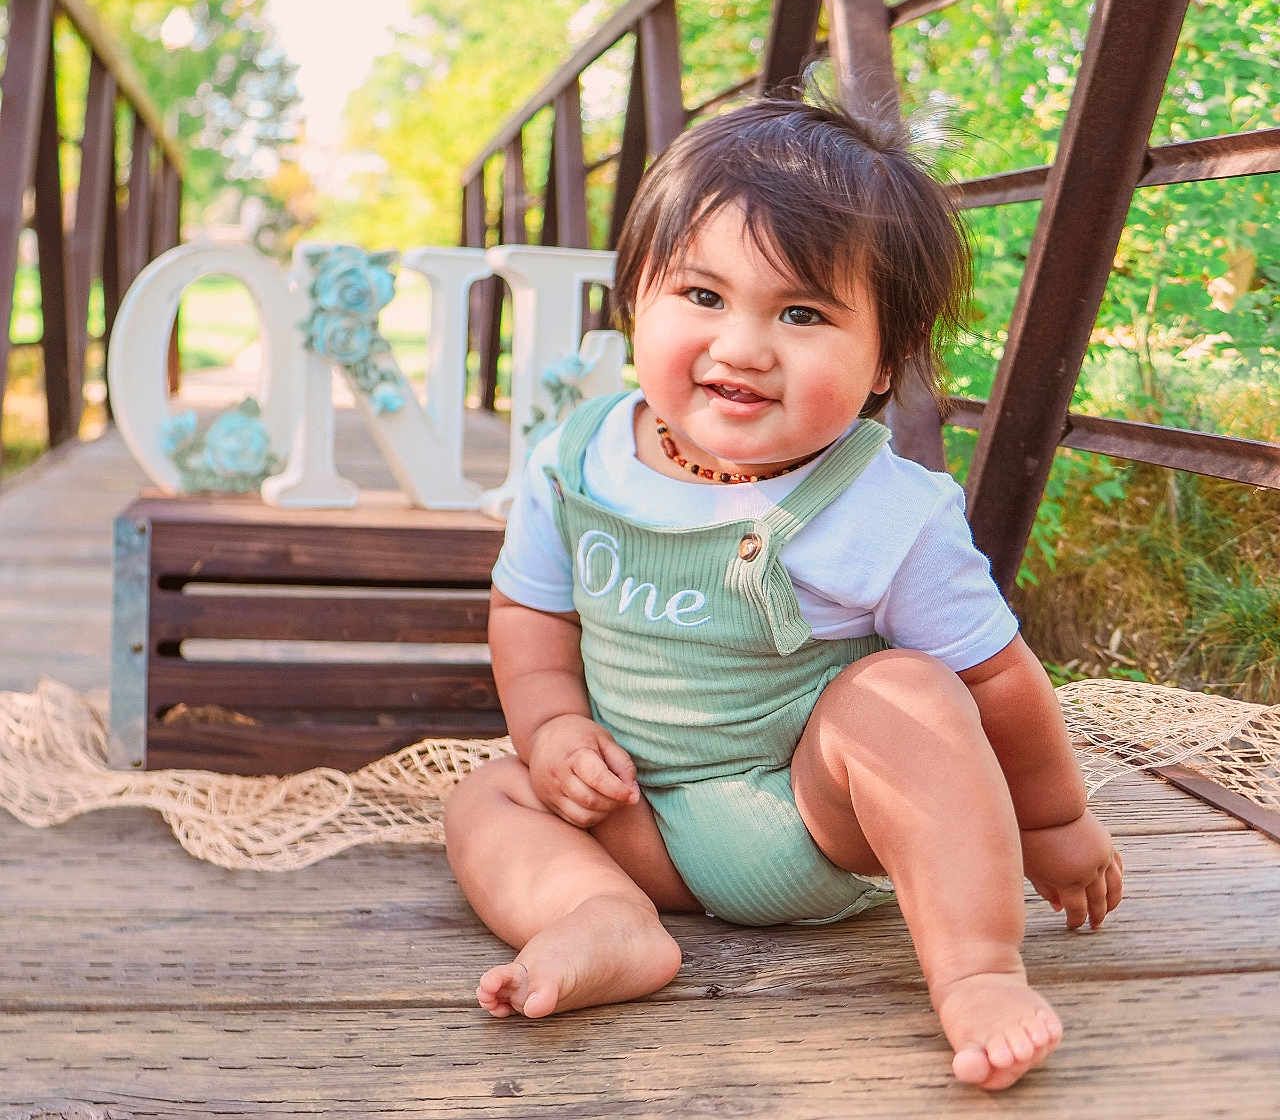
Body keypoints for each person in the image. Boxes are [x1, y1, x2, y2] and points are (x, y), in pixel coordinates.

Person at [444, 92, 1123, 1091]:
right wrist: (551, 731)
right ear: (636, 294)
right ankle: (602, 915)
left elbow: (997, 679)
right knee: (487, 793)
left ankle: (976, 969)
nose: (743, 346)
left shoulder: (884, 509)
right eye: (702, 295)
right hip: (631, 819)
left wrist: (1052, 821)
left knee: (907, 695)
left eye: (801, 313)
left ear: (885, 358)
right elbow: (531, 613)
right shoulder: (577, 457)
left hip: (807, 821)